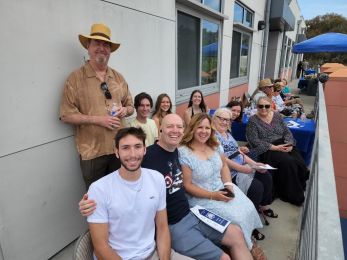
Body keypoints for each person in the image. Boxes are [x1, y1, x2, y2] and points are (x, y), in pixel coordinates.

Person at [80, 114, 254, 260]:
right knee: (224, 257)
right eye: (170, 126)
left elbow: (209, 152)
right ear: (160, 130)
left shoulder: (181, 151)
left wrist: (229, 178)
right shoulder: (145, 157)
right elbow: (121, 177)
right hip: (173, 225)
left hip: (193, 213)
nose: (175, 131)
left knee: (236, 233)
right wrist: (90, 200)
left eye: (180, 127)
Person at [87, 127, 190, 259]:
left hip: (153, 253)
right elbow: (101, 247)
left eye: (137, 146)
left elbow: (162, 228)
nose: (133, 154)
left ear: (145, 149)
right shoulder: (99, 189)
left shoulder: (157, 178)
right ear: (116, 152)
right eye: (125, 148)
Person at [59, 23, 134, 188]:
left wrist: (124, 110)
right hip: (92, 153)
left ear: (110, 50)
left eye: (106, 44)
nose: (102, 48)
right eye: (97, 43)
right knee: (95, 199)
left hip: (119, 148)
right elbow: (66, 115)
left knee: (121, 193)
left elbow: (131, 106)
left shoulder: (118, 78)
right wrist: (99, 120)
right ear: (88, 46)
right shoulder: (75, 79)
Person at [179, 113, 263, 250]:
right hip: (202, 197)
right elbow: (187, 185)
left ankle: (247, 240)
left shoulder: (215, 145)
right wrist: (212, 195)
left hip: (222, 188)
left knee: (248, 207)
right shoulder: (184, 152)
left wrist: (229, 186)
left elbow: (224, 166)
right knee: (237, 218)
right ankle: (246, 247)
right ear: (192, 129)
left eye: (207, 128)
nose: (204, 131)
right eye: (200, 127)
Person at [212, 108, 276, 240]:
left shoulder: (228, 134)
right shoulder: (213, 137)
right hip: (230, 173)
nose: (224, 122)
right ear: (215, 119)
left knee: (266, 176)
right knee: (256, 188)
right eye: (221, 119)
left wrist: (255, 165)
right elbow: (223, 160)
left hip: (242, 166)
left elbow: (239, 153)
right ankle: (249, 225)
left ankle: (262, 207)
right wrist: (244, 169)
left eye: (227, 120)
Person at [246, 97, 309, 206]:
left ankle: (298, 184)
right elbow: (254, 140)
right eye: (261, 106)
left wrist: (289, 144)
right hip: (267, 148)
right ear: (257, 107)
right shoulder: (253, 120)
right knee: (288, 162)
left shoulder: (277, 115)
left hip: (283, 144)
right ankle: (293, 195)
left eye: (267, 106)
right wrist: (275, 148)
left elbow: (287, 132)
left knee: (299, 162)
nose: (264, 109)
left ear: (271, 106)